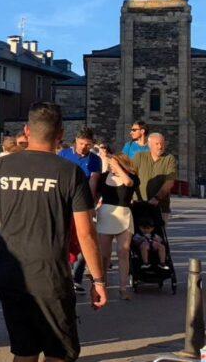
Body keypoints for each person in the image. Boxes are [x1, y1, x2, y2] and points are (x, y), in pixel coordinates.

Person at [0, 102, 106, 362]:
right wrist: (98, 280)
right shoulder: (71, 173)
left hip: (10, 272)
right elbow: (86, 233)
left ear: (26, 130)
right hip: (50, 276)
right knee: (59, 353)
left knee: (24, 351)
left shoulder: (2, 167)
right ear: (60, 136)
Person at [58, 127, 102, 294]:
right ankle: (64, 275)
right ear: (76, 141)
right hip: (64, 203)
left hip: (81, 204)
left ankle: (76, 278)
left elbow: (93, 182)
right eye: (82, 143)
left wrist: (89, 206)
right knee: (64, 239)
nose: (84, 147)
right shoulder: (63, 155)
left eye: (88, 145)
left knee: (85, 239)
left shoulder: (94, 160)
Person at [97, 147, 137, 300]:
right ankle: (103, 284)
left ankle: (123, 287)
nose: (112, 167)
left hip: (124, 215)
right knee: (105, 255)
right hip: (106, 216)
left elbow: (127, 182)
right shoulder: (103, 177)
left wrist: (117, 166)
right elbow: (96, 194)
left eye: (116, 164)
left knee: (123, 251)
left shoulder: (131, 177)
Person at [133, 133, 178, 221]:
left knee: (158, 234)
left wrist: (156, 198)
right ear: (149, 145)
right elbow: (131, 176)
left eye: (162, 144)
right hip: (139, 205)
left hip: (160, 207)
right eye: (157, 144)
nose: (160, 146)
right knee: (136, 234)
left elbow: (169, 182)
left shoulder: (169, 159)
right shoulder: (140, 157)